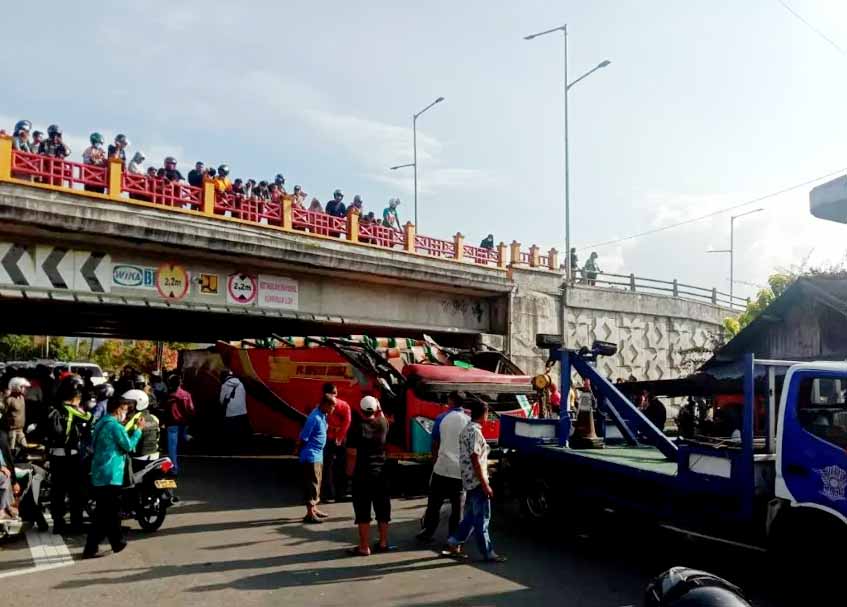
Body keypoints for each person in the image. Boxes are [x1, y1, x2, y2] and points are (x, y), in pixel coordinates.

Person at [443, 399, 505, 562]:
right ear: (483, 414)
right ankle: (487, 552)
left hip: (469, 480)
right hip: (478, 481)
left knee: (470, 516)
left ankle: (454, 541)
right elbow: (476, 459)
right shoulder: (476, 433)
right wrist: (486, 485)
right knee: (482, 519)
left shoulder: (466, 430)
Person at [83, 395, 144, 558]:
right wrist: (138, 431)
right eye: (125, 409)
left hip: (99, 472)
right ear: (118, 409)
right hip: (111, 474)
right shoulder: (115, 427)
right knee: (108, 512)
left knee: (105, 512)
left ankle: (111, 543)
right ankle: (103, 545)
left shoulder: (101, 423)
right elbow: (128, 446)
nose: (126, 412)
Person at [418, 391, 470, 543]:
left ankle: (428, 532)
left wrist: (435, 462)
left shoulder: (442, 418)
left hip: (442, 468)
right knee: (458, 507)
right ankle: (453, 538)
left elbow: (434, 443)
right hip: (459, 471)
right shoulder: (469, 421)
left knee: (434, 503)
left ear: (451, 401)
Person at [345, 395, 391, 556]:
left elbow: (351, 453)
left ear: (360, 409)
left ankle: (364, 546)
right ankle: (384, 542)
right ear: (377, 409)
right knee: (383, 509)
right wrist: (379, 406)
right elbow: (382, 416)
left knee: (363, 511)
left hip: (362, 475)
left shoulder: (356, 428)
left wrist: (349, 474)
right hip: (381, 474)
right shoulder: (383, 424)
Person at [46, 374, 92, 534]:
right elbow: (89, 417)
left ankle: (58, 523)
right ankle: (76, 523)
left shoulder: (53, 408)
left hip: (54, 455)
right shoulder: (72, 410)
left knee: (57, 491)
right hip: (70, 457)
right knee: (75, 492)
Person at [298, 395, 335, 523]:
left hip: (318, 455)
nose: (334, 408)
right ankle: (310, 513)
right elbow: (304, 437)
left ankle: (314, 508)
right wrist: (302, 453)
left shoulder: (323, 415)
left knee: (317, 483)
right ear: (325, 404)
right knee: (312, 484)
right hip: (311, 455)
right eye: (332, 406)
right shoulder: (313, 418)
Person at [321, 383, 352, 503]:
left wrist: (337, 436)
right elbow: (347, 422)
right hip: (337, 439)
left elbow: (347, 422)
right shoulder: (344, 405)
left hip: (331, 439)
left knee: (328, 467)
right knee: (337, 467)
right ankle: (339, 493)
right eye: (334, 392)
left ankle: (329, 494)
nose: (335, 395)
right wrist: (339, 437)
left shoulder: (322, 406)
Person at [122, 389, 161, 466]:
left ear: (139, 403)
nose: (124, 405)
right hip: (153, 455)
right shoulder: (153, 418)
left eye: (128, 403)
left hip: (137, 459)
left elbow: (123, 438)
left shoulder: (136, 420)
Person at [164, 374, 194, 474]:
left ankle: (173, 468)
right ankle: (188, 438)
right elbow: (191, 409)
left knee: (171, 447)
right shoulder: (187, 394)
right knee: (180, 441)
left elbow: (165, 410)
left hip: (172, 424)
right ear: (180, 382)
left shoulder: (168, 395)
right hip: (183, 422)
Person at [219, 369, 250, 452]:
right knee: (240, 430)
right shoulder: (240, 384)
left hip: (231, 411)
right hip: (242, 410)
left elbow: (221, 400)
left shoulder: (225, 385)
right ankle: (241, 446)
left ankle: (230, 447)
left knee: (229, 430)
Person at [2, 377, 30, 451]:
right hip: (11, 430)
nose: (24, 389)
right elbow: (4, 413)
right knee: (11, 449)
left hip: (20, 429)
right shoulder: (9, 400)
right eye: (22, 387)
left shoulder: (22, 398)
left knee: (25, 448)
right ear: (17, 387)